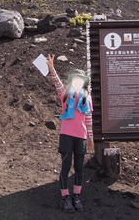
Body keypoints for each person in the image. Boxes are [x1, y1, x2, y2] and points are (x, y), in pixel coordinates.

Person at [46, 54, 94, 213]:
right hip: (66, 135)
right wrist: (52, 68)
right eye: (75, 78)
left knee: (79, 168)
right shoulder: (65, 93)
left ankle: (76, 196)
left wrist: (91, 138)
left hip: (81, 137)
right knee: (66, 166)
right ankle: (64, 197)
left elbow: (88, 119)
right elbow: (57, 83)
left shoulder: (87, 98)